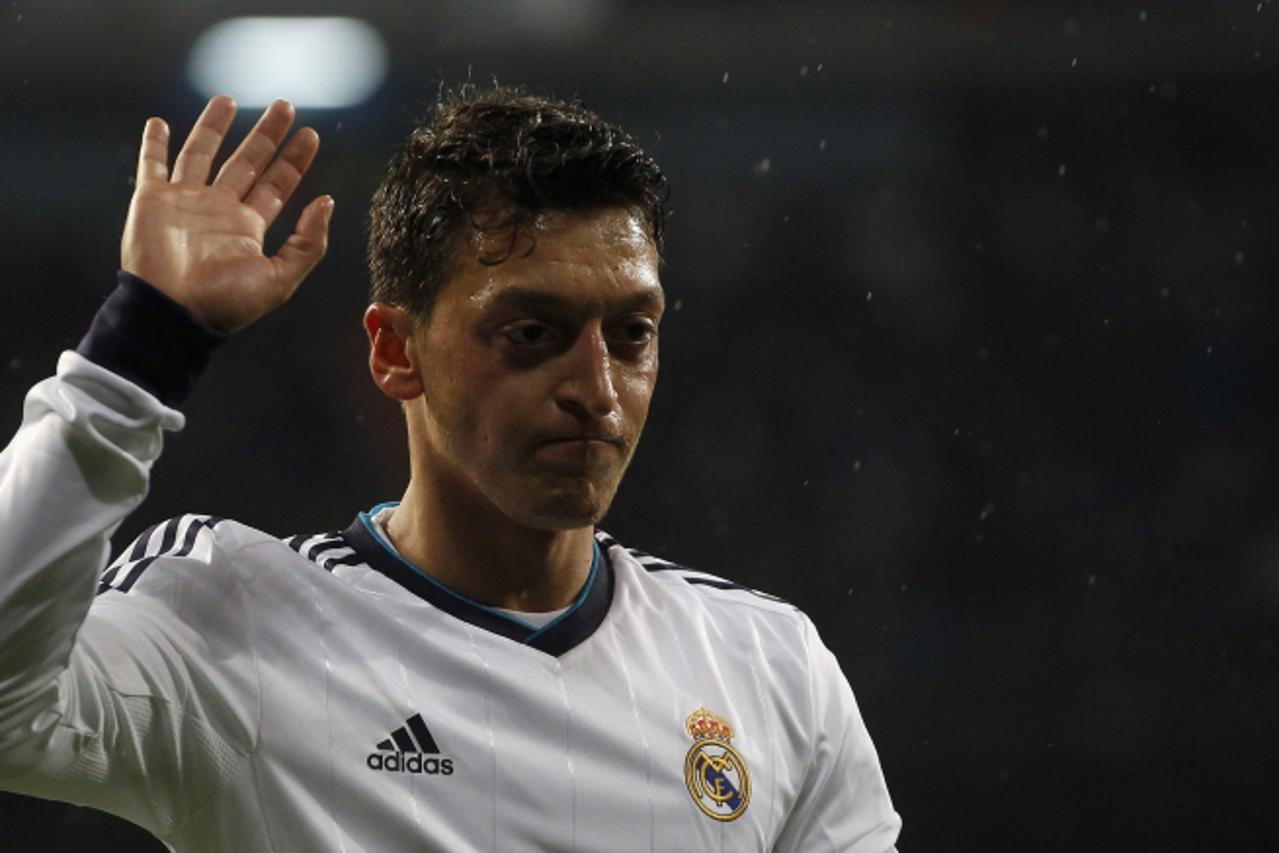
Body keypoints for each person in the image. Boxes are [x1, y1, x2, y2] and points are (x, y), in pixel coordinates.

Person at [0, 88, 901, 851]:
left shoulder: (770, 666)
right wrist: (143, 342)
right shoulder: (230, 622)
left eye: (631, 335)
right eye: (531, 333)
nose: (596, 387)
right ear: (396, 351)